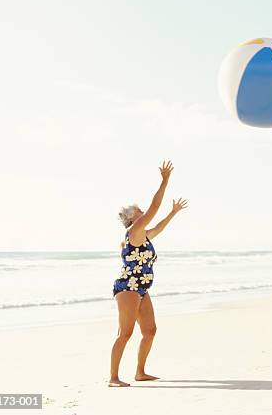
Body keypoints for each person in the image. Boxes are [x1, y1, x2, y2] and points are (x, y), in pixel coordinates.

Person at [109, 160, 188, 387]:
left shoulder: (141, 234)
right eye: (140, 211)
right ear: (133, 218)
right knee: (125, 333)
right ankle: (113, 378)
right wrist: (164, 181)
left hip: (141, 288)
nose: (144, 212)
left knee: (150, 331)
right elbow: (154, 208)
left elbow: (158, 228)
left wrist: (172, 213)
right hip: (128, 287)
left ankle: (140, 372)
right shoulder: (133, 231)